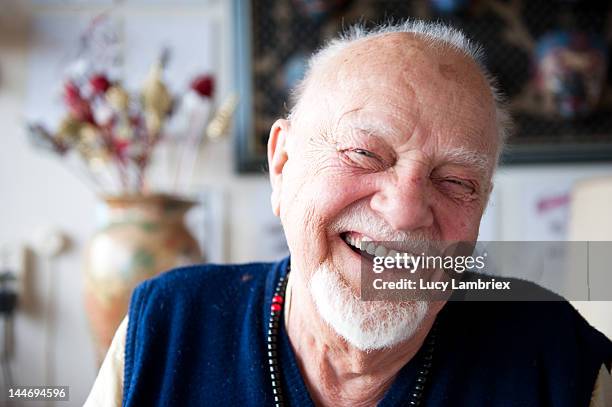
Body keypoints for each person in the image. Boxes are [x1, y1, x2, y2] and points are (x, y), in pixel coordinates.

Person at [85, 20, 612, 406]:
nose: (406, 213)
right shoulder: (167, 327)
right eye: (364, 154)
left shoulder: (559, 359)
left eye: (455, 181)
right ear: (282, 163)